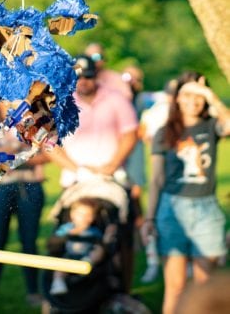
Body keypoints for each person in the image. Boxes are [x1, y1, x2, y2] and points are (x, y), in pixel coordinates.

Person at [46, 55, 138, 292]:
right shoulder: (62, 103)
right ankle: (66, 291)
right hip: (76, 180)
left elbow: (130, 134)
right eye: (78, 77)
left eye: (88, 76)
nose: (83, 82)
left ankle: (122, 291)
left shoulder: (116, 98)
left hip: (111, 177)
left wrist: (111, 165)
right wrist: (76, 168)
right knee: (67, 238)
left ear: (96, 75)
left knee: (122, 239)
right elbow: (48, 142)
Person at [141, 72, 230, 314]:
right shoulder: (164, 132)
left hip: (206, 210)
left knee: (205, 284)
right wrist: (149, 218)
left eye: (199, 95)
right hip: (172, 210)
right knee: (175, 286)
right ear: (177, 98)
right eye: (187, 94)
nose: (194, 100)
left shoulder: (212, 126)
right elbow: (157, 179)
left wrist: (210, 95)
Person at [0, 104, 45, 309]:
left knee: (29, 241)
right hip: (0, 188)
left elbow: (47, 154)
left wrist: (10, 154)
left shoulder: (36, 121)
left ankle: (33, 292)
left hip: (29, 187)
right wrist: (21, 150)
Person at [48, 198, 104, 295]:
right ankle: (58, 282)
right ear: (72, 215)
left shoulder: (94, 231)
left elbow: (100, 242)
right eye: (80, 214)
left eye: (88, 215)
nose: (83, 218)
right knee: (60, 265)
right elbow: (56, 239)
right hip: (69, 257)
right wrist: (70, 233)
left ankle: (88, 262)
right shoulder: (67, 228)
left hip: (87, 258)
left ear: (92, 217)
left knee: (99, 250)